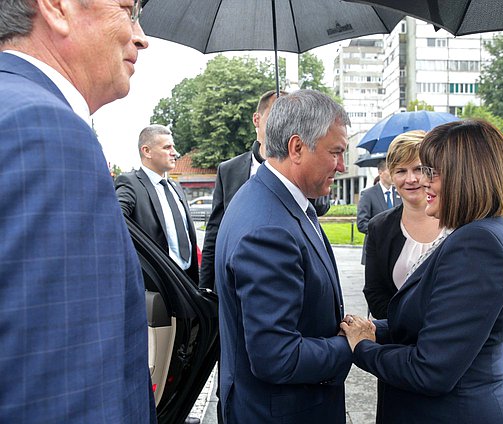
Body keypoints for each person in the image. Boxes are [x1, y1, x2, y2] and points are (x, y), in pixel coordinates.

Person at [0, 1, 156, 422]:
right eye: (128, 8)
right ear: (56, 7)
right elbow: (64, 399)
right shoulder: (46, 131)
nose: (141, 36)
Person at [343, 120, 503, 424]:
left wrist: (361, 347)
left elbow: (430, 370)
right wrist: (376, 329)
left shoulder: (477, 243)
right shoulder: (484, 229)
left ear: (465, 177)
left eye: (431, 172)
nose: (423, 182)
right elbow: (435, 322)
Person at [215, 90, 353, 423]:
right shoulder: (269, 228)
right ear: (296, 148)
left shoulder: (274, 199)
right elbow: (277, 357)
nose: (342, 166)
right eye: (336, 152)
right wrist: (350, 345)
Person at [199, 90, 329, 291]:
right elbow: (214, 231)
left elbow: (320, 208)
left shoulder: (300, 167)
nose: (281, 124)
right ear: (256, 119)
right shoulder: (229, 170)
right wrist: (205, 287)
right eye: (274, 117)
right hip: (232, 281)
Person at [363, 130, 442, 319]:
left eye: (418, 169)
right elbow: (374, 292)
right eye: (401, 171)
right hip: (398, 339)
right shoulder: (379, 227)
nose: (410, 179)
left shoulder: (457, 222)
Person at [115, 125, 199, 284]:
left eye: (173, 147)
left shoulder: (176, 188)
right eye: (167, 147)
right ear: (146, 151)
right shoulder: (131, 184)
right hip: (158, 286)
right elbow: (115, 222)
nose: (174, 152)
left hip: (189, 284)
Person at [357, 160, 401, 264]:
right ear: (380, 172)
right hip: (376, 250)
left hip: (396, 251)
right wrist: (383, 230)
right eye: (390, 170)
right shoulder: (368, 194)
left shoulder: (399, 194)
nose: (393, 174)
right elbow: (361, 223)